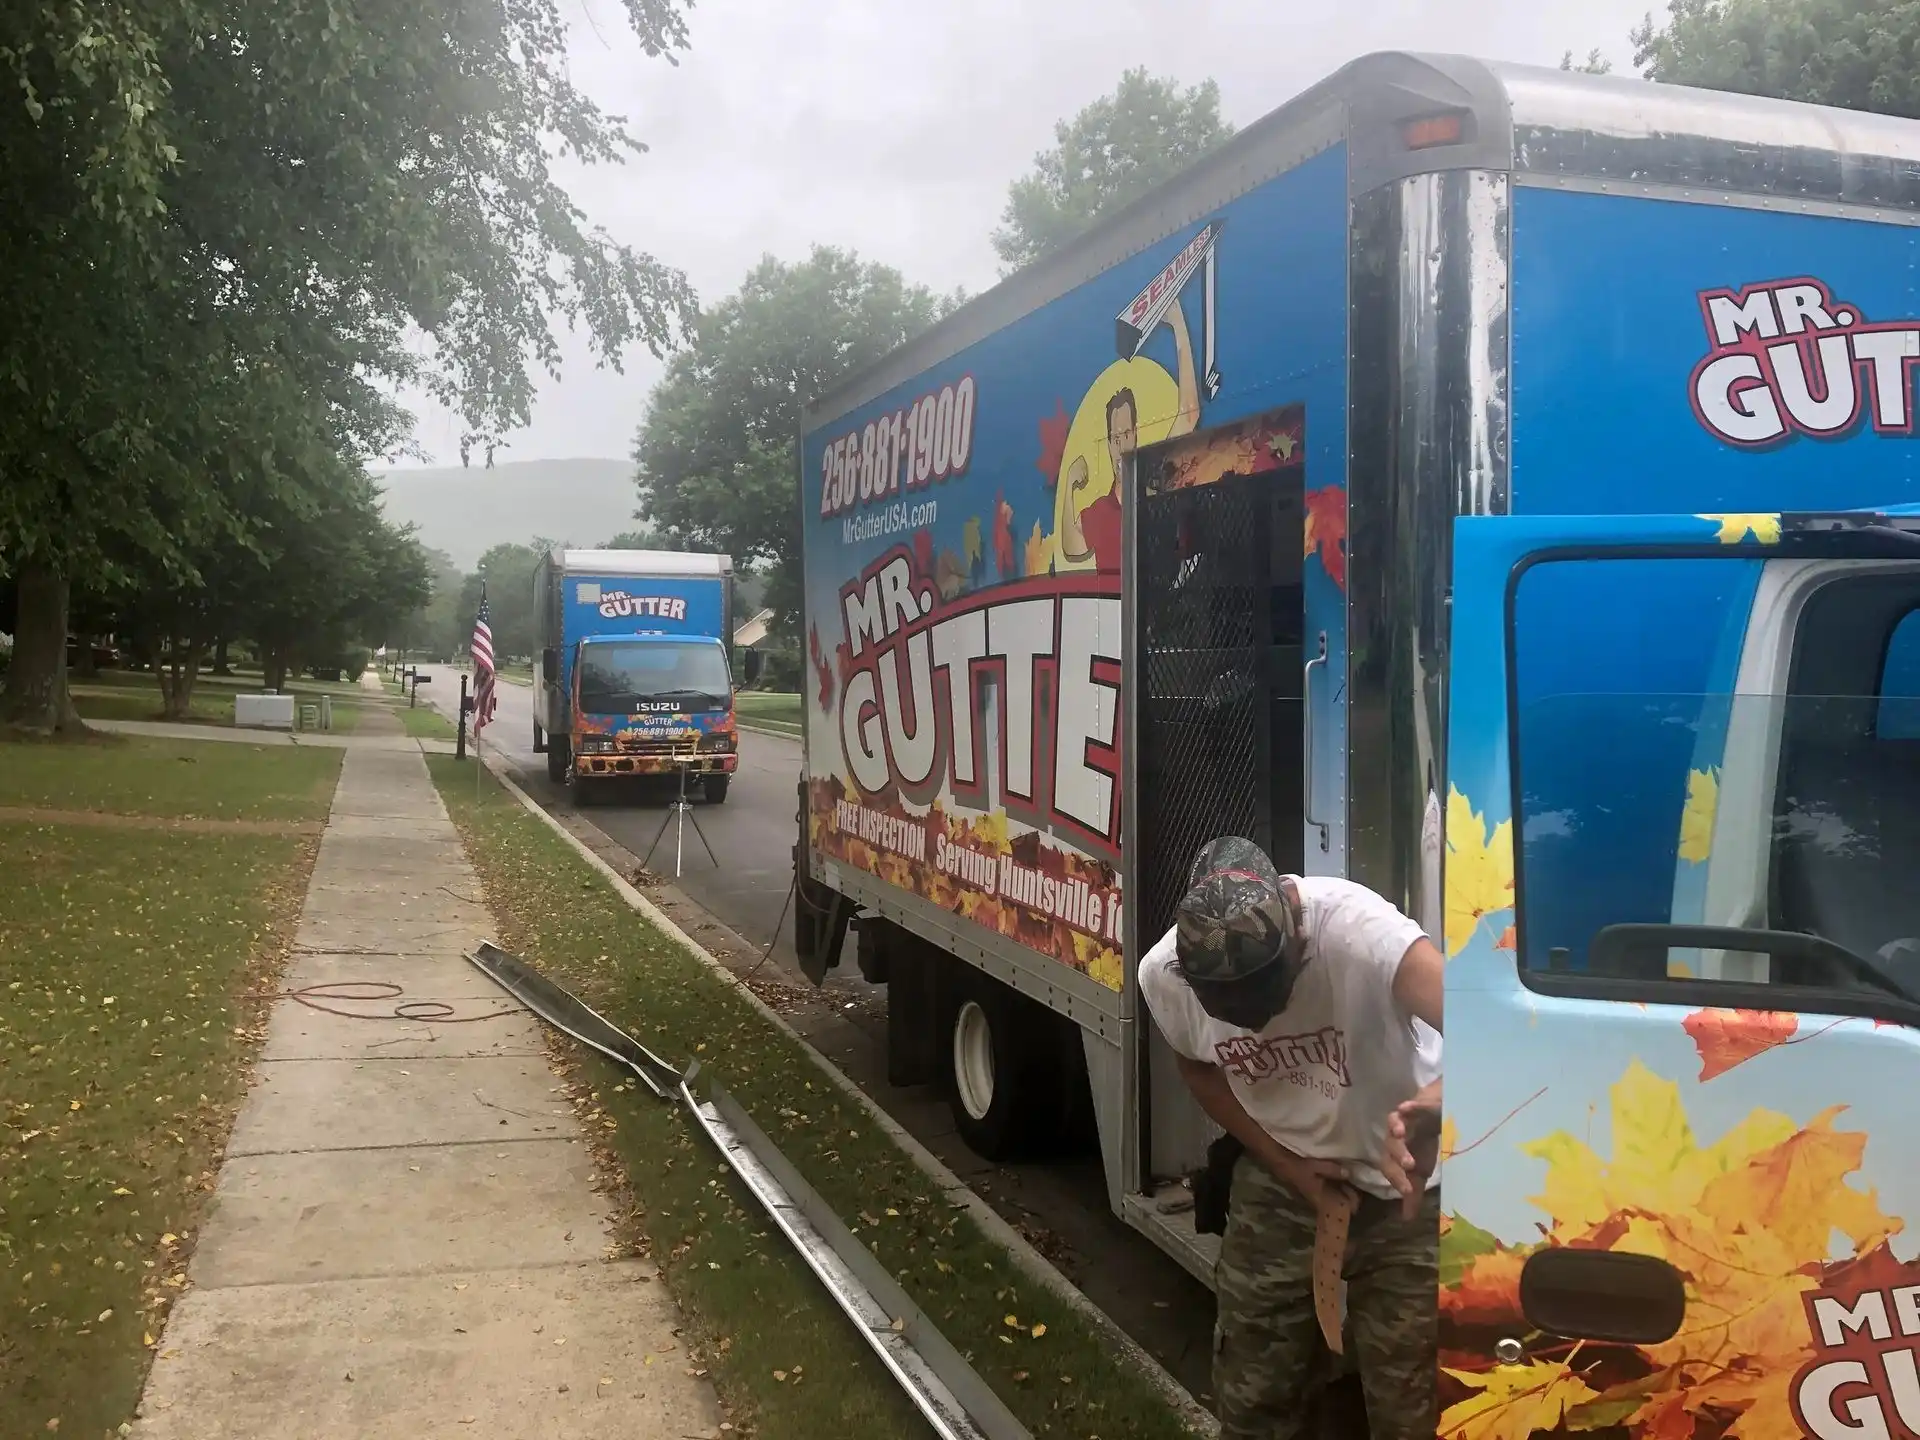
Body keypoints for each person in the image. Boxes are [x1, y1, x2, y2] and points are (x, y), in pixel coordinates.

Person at [1137, 837, 1444, 1440]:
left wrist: (1437, 1106)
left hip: (1411, 1184)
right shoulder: (1164, 974)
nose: (1256, 1022)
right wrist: (1284, 1164)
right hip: (1286, 1183)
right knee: (1255, 1397)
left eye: (1268, 1000)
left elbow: (1496, 1031)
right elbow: (1198, 1069)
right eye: (1235, 1012)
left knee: (1416, 1412)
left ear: (1295, 937)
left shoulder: (1362, 935)